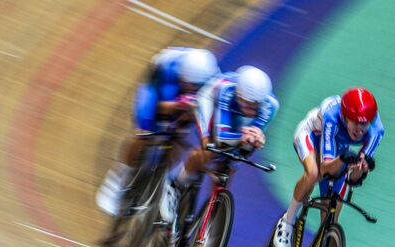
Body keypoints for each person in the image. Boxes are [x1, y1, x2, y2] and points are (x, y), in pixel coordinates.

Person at [96, 47, 219, 216]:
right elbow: (158, 106)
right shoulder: (168, 67)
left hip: (188, 101)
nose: (192, 88)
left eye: (196, 86)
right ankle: (118, 179)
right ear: (182, 76)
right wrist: (178, 105)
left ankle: (165, 180)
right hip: (159, 91)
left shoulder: (213, 80)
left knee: (180, 135)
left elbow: (207, 116)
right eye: (189, 84)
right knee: (144, 132)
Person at [159, 65, 279, 226]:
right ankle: (174, 184)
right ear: (238, 95)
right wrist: (242, 136)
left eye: (255, 106)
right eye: (246, 104)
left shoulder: (270, 106)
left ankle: (213, 212)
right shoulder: (227, 92)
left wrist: (256, 139)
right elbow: (222, 137)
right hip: (209, 101)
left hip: (236, 118)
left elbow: (250, 140)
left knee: (233, 164)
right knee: (209, 147)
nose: (251, 110)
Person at [273, 87, 384, 247]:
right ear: (345, 118)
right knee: (314, 174)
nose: (360, 130)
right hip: (311, 135)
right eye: (355, 123)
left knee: (332, 206)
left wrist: (361, 168)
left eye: (364, 125)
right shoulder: (331, 116)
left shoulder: (376, 131)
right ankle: (287, 222)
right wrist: (342, 159)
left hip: (339, 147)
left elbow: (353, 180)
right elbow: (325, 168)